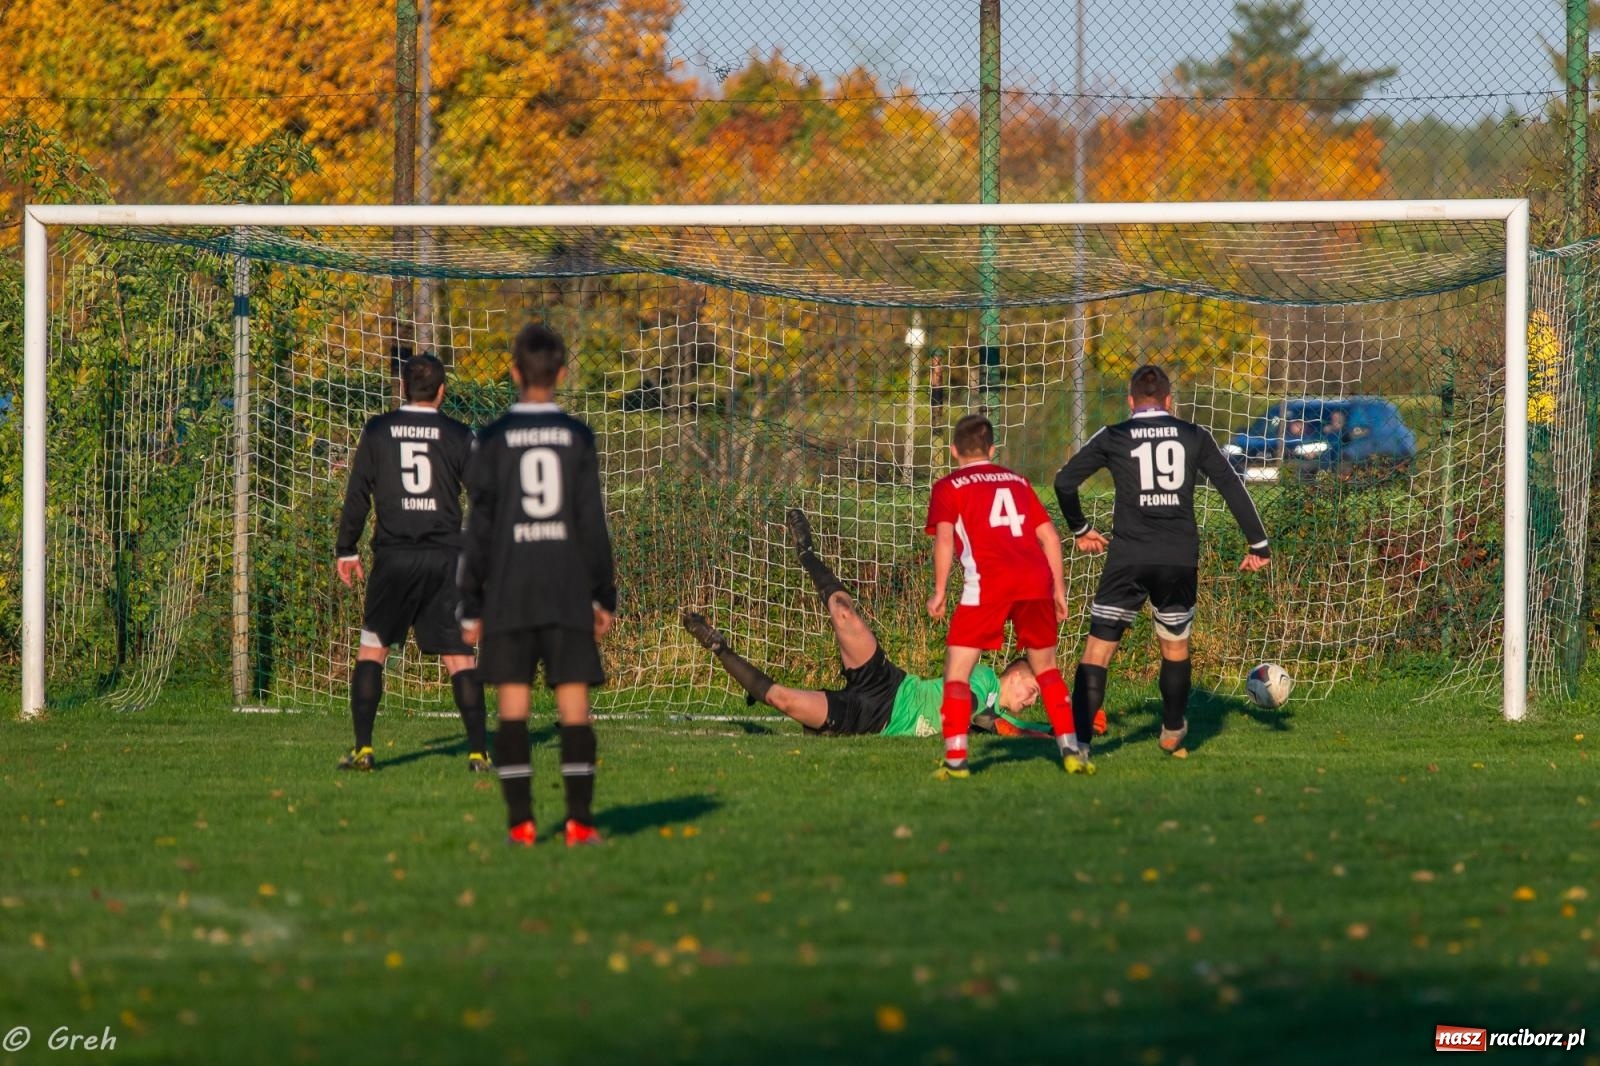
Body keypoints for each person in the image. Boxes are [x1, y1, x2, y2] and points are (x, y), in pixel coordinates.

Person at [681, 509, 1083, 738]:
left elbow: (1028, 730)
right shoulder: (985, 680)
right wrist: (1008, 729)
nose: (1031, 700)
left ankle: (717, 645)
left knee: (782, 699)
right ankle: (805, 551)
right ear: (1015, 670)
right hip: (889, 685)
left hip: (868, 719)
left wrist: (1068, 730)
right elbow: (974, 713)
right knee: (843, 611)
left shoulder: (1006, 715)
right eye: (1033, 689)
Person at [1053, 365, 1271, 775]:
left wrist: (1081, 528)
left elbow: (1064, 482)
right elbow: (1230, 485)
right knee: (1174, 647)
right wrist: (1258, 543)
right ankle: (1172, 728)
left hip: (1128, 556)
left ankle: (1079, 745)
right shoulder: (1194, 435)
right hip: (1177, 557)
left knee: (1098, 651)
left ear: (1130, 401)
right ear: (1170, 402)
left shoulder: (1114, 435)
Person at [458, 324, 616, 848]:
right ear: (563, 374)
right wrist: (603, 596)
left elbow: (479, 528)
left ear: (513, 372)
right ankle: (579, 823)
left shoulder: (494, 438)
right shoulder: (578, 437)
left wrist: (470, 602)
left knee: (513, 712)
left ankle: (521, 826)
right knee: (574, 710)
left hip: (509, 592)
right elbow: (592, 524)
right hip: (567, 591)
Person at [334, 353, 487, 773]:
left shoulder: (378, 430)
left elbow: (358, 492)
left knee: (373, 650)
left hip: (394, 556)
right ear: (442, 391)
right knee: (459, 657)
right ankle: (478, 753)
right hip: (445, 559)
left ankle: (364, 749)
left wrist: (346, 548)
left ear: (402, 388)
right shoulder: (458, 434)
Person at [925, 413, 1076, 779]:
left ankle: (957, 761)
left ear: (953, 451)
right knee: (1047, 670)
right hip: (1035, 580)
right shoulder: (1018, 481)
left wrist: (940, 590)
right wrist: (1059, 589)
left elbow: (945, 539)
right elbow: (1051, 539)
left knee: (957, 675)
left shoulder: (950, 486)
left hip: (988, 583)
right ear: (993, 449)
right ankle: (1073, 751)